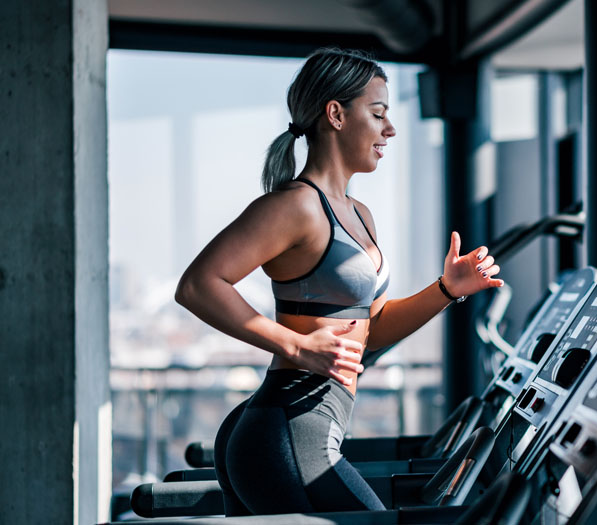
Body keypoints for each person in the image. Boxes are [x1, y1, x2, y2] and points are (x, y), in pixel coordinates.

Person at [175, 47, 504, 516]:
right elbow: (198, 284)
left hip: (301, 427)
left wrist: (446, 289)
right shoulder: (295, 206)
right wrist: (294, 345)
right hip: (289, 429)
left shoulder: (360, 215)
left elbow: (373, 330)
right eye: (377, 113)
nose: (389, 129)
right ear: (336, 114)